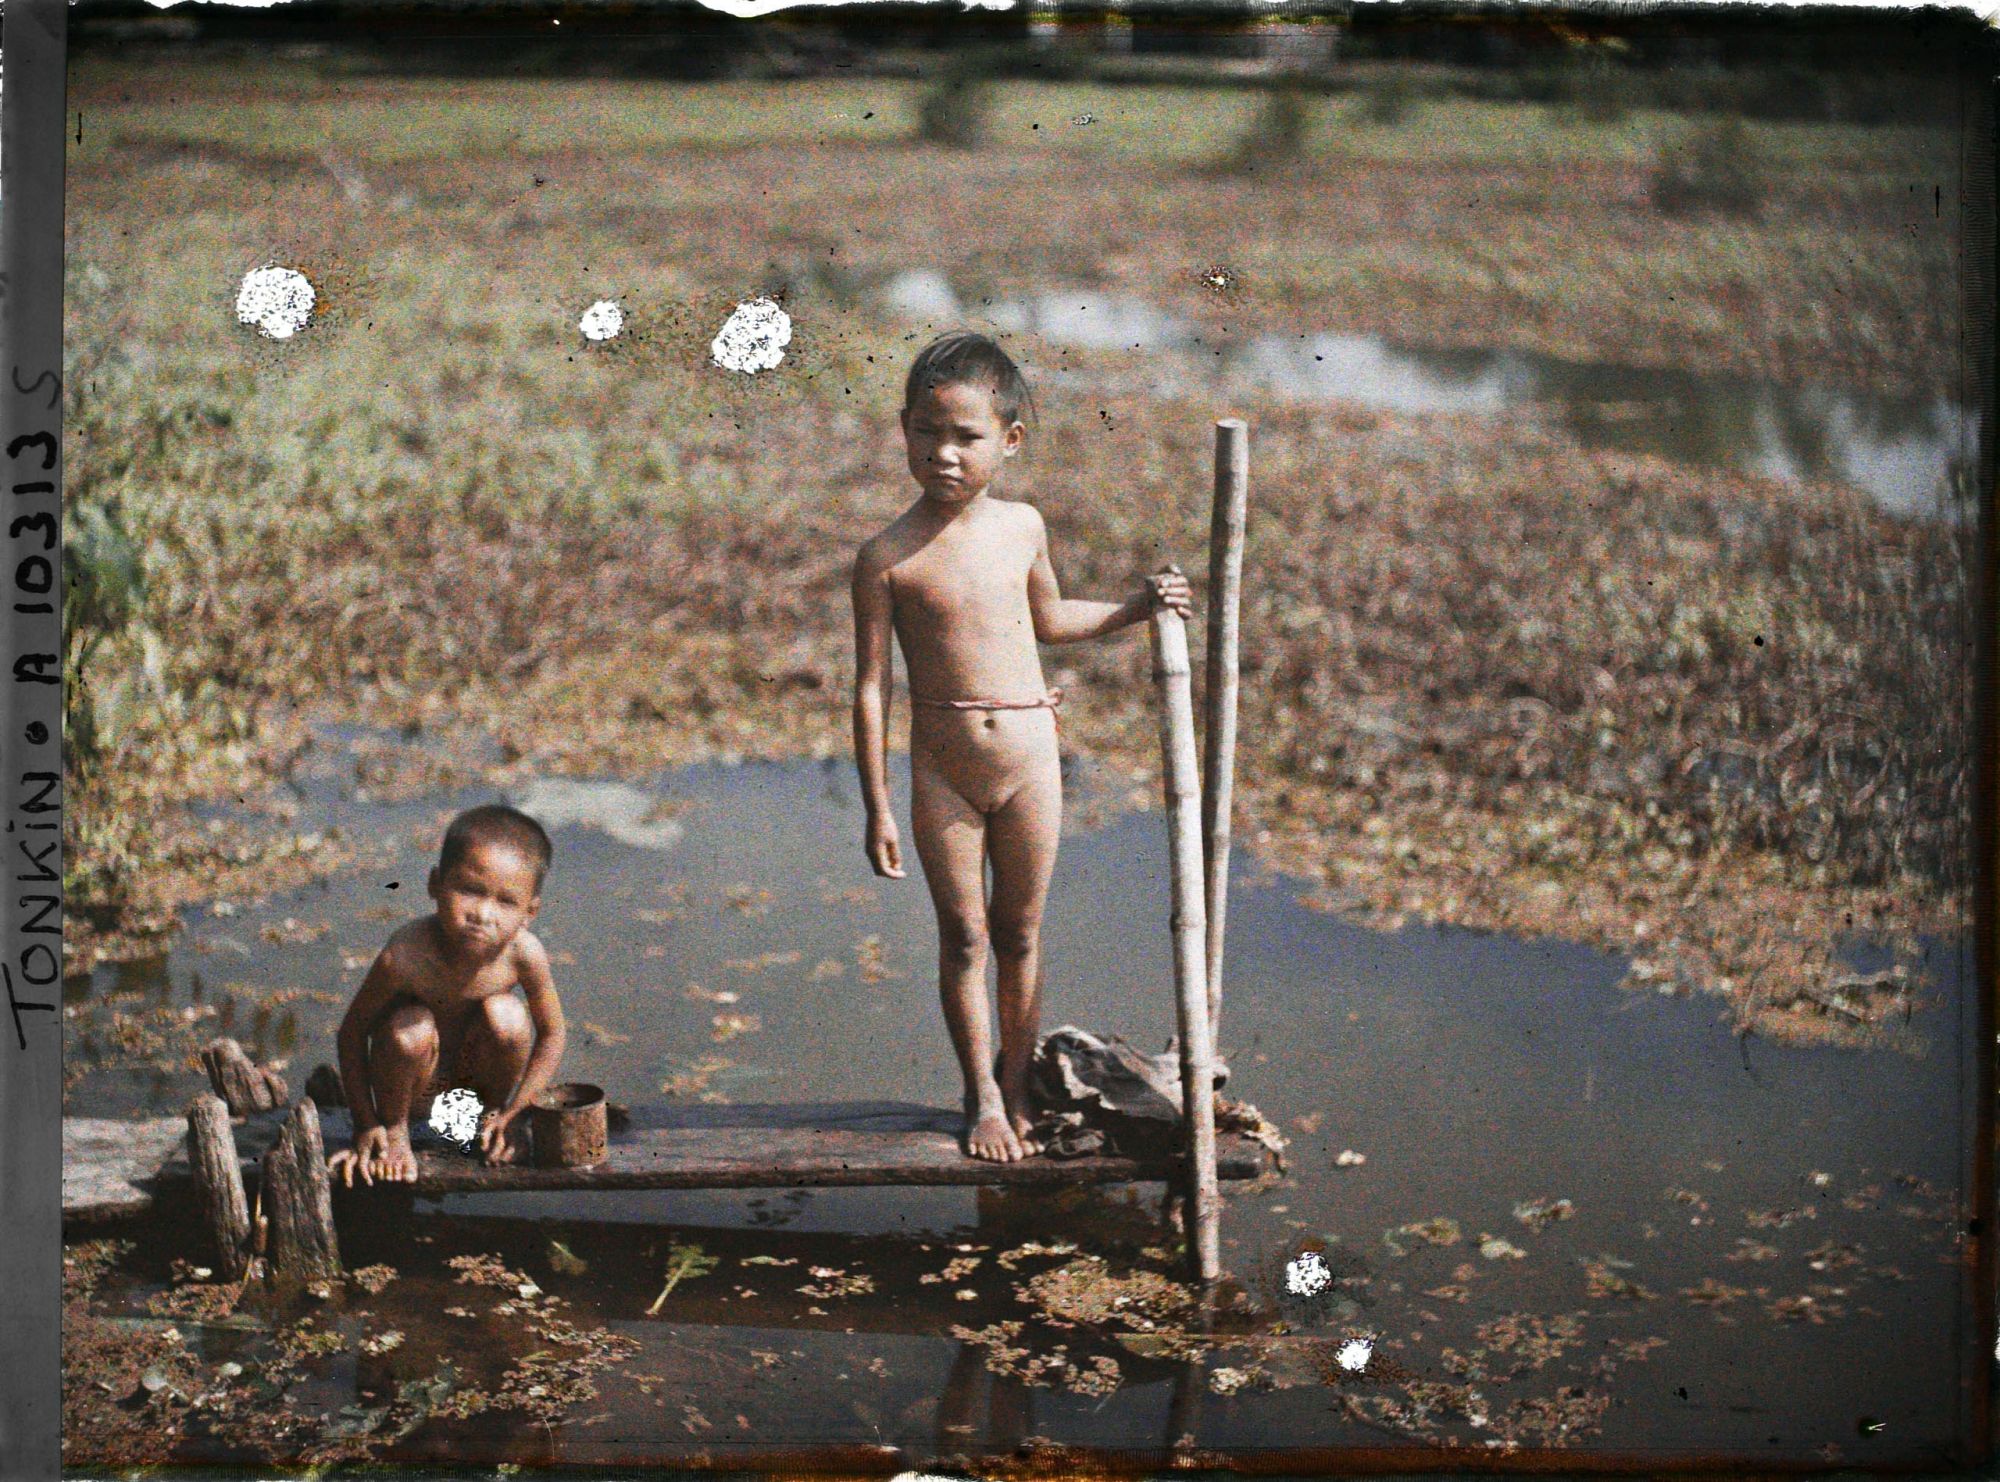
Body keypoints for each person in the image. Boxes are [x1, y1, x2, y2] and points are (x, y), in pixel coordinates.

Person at [852, 331, 1192, 1163]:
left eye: (966, 437)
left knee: (1021, 930)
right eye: (927, 433)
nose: (944, 454)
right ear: (903, 431)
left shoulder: (1023, 527)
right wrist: (877, 806)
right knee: (963, 934)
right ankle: (983, 1099)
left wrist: (1136, 608)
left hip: (1030, 760)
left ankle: (1017, 1083)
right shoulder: (887, 557)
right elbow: (870, 687)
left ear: (1009, 442)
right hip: (943, 771)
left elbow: (1050, 620)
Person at [326, 804, 567, 1185]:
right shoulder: (404, 956)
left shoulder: (524, 954)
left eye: (506, 902)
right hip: (413, 1089)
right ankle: (397, 1131)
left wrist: (518, 1113)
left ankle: (492, 1118)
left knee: (508, 1016)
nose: (483, 914)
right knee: (412, 1026)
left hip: (475, 1089)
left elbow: (552, 1034)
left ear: (530, 912)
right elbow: (352, 1033)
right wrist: (367, 1123)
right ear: (435, 884)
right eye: (470, 890)